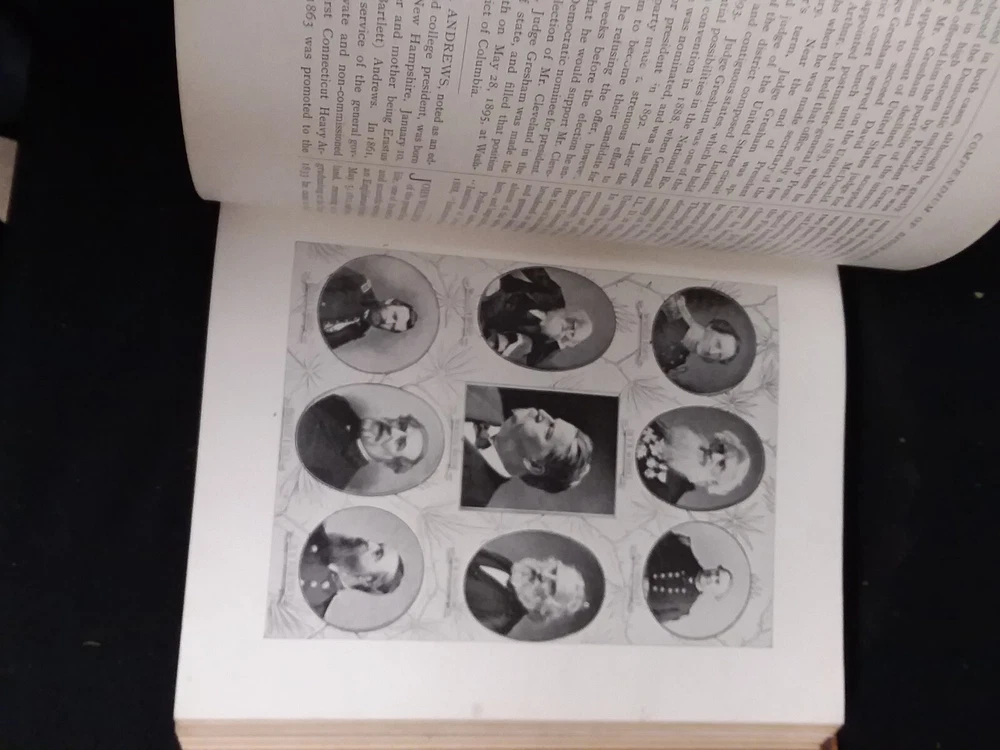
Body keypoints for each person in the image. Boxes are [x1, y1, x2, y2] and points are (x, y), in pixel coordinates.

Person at [461, 385, 593, 508]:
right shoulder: (487, 393)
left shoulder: (469, 496)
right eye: (552, 418)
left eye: (549, 430)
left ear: (533, 465)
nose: (542, 413)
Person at [296, 393, 428, 490]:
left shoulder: (334, 478)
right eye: (402, 425)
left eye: (400, 443)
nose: (394, 430)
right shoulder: (338, 404)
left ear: (390, 461)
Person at [479, 267, 594, 368]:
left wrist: (561, 344)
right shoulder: (554, 294)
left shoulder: (544, 340)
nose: (567, 330)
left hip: (483, 321)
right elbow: (530, 267)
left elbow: (533, 362)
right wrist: (499, 275)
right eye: (573, 325)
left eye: (571, 334)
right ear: (572, 315)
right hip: (493, 289)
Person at [465, 549, 587, 636]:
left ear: (544, 607)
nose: (544, 574)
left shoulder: (499, 619)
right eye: (553, 571)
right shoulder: (508, 566)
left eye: (552, 586)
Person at [299, 528, 405, 619]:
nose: (370, 542)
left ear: (368, 580)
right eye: (378, 544)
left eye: (377, 554)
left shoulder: (314, 608)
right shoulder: (315, 531)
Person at [637, 422, 751, 505]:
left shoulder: (667, 494)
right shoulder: (663, 430)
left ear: (714, 482)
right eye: (721, 448)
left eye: (721, 464)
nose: (714, 454)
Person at [319, 265, 417, 350]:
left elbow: (323, 345)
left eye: (392, 327)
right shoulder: (358, 283)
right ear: (389, 302)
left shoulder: (360, 329)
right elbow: (321, 271)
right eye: (394, 316)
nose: (387, 322)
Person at [644, 531, 733, 624]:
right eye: (716, 573)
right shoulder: (684, 549)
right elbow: (652, 536)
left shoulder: (683, 608)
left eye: (717, 581)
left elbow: (650, 619)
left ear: (713, 592)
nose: (712, 576)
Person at [654, 292, 741, 375]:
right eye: (718, 344)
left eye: (719, 355)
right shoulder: (673, 307)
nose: (712, 352)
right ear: (711, 327)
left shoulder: (677, 361)